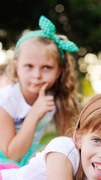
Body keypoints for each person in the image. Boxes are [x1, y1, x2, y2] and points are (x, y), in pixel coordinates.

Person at [0, 15, 80, 166]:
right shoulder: (5, 100)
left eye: (46, 67)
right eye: (29, 66)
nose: (37, 75)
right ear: (17, 67)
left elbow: (69, 142)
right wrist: (34, 113)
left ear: (59, 72)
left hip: (28, 156)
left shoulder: (58, 98)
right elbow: (12, 156)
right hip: (6, 156)